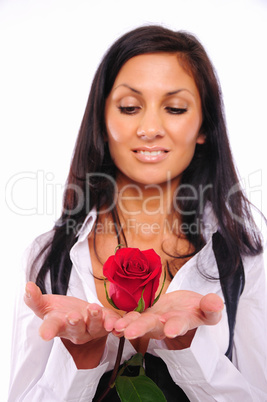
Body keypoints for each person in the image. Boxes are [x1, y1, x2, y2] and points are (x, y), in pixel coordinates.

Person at [8, 25, 267, 401]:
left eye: (175, 108)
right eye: (130, 107)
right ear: (102, 120)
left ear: (203, 127)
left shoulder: (242, 261)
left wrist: (189, 351)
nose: (149, 129)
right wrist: (80, 362)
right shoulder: (48, 259)